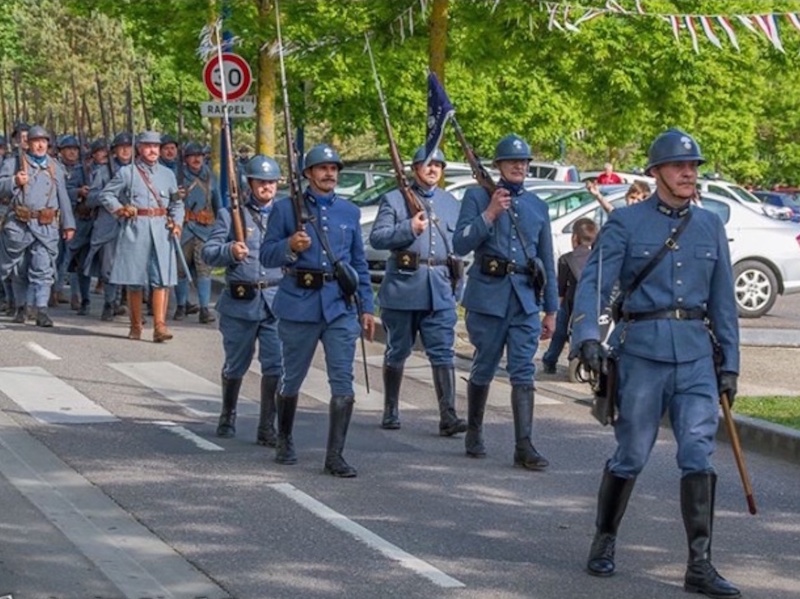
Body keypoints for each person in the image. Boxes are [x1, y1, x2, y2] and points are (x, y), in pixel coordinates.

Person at [571, 128, 741, 598]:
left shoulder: (709, 225)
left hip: (695, 357)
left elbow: (724, 300)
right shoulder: (626, 223)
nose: (689, 173)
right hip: (642, 353)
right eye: (678, 167)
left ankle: (700, 565)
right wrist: (586, 334)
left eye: (694, 167)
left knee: (698, 455)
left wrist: (730, 363)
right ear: (656, 172)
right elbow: (595, 284)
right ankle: (604, 540)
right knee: (631, 453)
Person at [261, 143, 375, 478]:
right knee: (291, 377)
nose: (329, 174)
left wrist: (366, 306)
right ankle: (284, 438)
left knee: (343, 381)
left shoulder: (349, 212)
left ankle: (335, 456)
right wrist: (289, 247)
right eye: (322, 168)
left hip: (338, 304)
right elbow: (267, 255)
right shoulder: (285, 209)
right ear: (308, 173)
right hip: (299, 302)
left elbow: (358, 263)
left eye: (334, 169)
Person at [453, 133, 558, 471]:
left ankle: (524, 445)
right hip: (488, 297)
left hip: (525, 299)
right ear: (498, 165)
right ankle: (474, 430)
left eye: (524, 161)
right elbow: (461, 243)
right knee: (483, 365)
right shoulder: (477, 197)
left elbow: (547, 261)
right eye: (512, 161)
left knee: (523, 371)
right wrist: (490, 214)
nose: (519, 166)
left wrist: (552, 310)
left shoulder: (537, 207)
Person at [368, 146, 466, 435]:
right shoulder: (394, 200)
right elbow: (378, 238)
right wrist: (408, 228)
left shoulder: (450, 202)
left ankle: (448, 415)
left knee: (443, 353)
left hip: (440, 288)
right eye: (427, 163)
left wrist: (457, 287)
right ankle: (391, 409)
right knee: (397, 350)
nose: (433, 168)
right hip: (403, 288)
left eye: (438, 164)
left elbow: (458, 248)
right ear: (414, 168)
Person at [202, 154, 284, 445]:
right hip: (241, 302)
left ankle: (267, 426)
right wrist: (229, 251)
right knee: (236, 364)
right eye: (262, 182)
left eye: (272, 182)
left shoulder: (285, 215)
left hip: (276, 300)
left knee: (275, 365)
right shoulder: (229, 215)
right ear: (250, 183)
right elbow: (208, 253)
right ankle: (228, 413)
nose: (267, 187)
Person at [99, 130, 184, 342]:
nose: (153, 150)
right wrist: (120, 209)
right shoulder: (128, 172)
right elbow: (106, 195)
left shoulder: (168, 174)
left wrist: (178, 223)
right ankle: (136, 325)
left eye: (156, 147)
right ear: (140, 149)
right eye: (148, 146)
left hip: (162, 229)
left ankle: (160, 326)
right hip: (136, 228)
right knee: (135, 279)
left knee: (161, 279)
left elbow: (177, 203)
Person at [0, 125, 75, 327]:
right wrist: (14, 180)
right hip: (20, 224)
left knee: (43, 268)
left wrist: (68, 225)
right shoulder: (12, 163)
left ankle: (41, 309)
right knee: (20, 269)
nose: (40, 145)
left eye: (44, 141)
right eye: (36, 141)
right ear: (28, 143)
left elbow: (63, 197)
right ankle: (21, 306)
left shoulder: (55, 167)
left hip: (46, 225)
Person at [84, 133, 133, 321]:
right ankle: (109, 302)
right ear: (114, 151)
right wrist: (110, 196)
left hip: (132, 224)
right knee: (108, 267)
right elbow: (91, 198)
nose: (125, 150)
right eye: (121, 147)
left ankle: (125, 302)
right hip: (108, 223)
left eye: (128, 147)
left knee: (130, 265)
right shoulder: (105, 171)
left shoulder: (139, 171)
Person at [541, 217, 597, 374]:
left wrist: (554, 308)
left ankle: (550, 360)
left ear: (574, 238)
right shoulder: (598, 259)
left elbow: (560, 289)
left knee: (560, 331)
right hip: (593, 303)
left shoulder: (566, 259)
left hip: (571, 302)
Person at [175, 141, 220, 323]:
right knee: (180, 270)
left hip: (204, 229)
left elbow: (217, 203)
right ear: (185, 159)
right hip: (184, 228)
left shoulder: (210, 177)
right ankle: (180, 306)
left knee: (204, 270)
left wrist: (220, 227)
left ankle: (204, 309)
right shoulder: (178, 177)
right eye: (192, 156)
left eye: (199, 156)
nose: (196, 159)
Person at [56, 134, 92, 314]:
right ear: (61, 151)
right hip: (59, 217)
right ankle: (55, 290)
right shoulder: (55, 168)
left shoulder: (86, 169)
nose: (72, 152)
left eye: (75, 149)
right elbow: (58, 191)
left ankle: (79, 296)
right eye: (68, 149)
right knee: (60, 257)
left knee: (78, 259)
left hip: (82, 219)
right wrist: (77, 192)